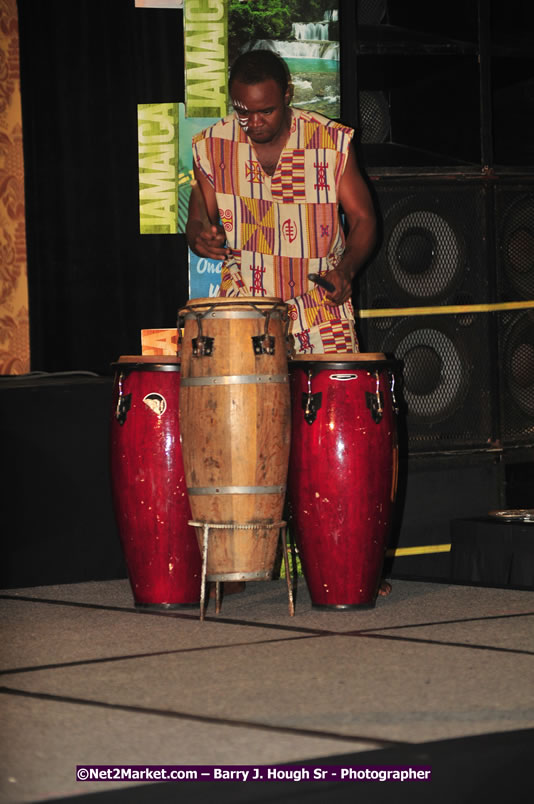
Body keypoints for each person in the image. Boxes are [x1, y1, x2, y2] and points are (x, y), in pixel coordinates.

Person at [186, 49, 391, 596]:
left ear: (288, 100)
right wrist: (199, 233)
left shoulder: (329, 142)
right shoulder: (214, 147)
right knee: (238, 443)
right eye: (243, 111)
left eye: (265, 112)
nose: (252, 123)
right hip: (244, 313)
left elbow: (365, 217)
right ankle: (236, 564)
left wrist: (346, 269)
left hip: (317, 305)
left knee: (333, 441)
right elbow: (198, 214)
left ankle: (349, 561)